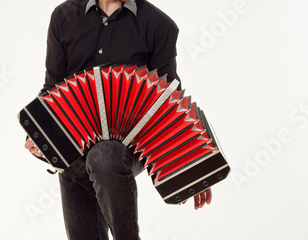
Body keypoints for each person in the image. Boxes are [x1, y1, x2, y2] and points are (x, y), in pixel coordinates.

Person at [24, 0, 212, 239]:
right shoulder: (63, 17)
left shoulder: (159, 26)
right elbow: (52, 89)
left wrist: (191, 167)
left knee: (103, 155)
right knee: (80, 163)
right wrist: (38, 133)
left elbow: (167, 105)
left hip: (128, 149)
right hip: (75, 149)